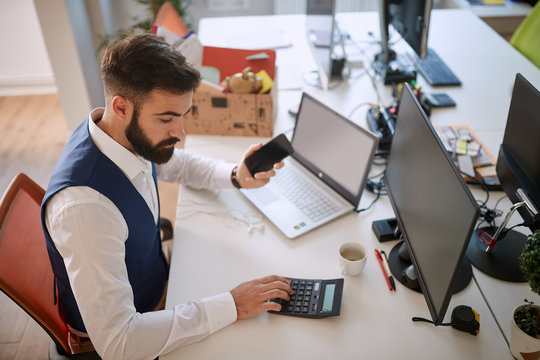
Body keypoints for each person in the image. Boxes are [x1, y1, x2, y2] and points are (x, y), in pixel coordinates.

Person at [40, 33, 292, 359]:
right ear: (121, 106)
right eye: (167, 119)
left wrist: (235, 175)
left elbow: (174, 163)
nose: (180, 132)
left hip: (154, 284)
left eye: (182, 115)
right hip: (136, 326)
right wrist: (232, 304)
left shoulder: (114, 130)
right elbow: (121, 343)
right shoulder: (85, 209)